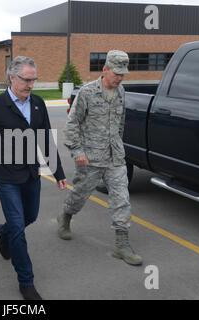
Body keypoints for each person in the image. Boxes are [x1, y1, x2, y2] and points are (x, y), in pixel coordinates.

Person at [0, 56, 67, 300]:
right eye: (26, 80)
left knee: (30, 216)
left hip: (30, 174)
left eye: (33, 80)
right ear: (12, 78)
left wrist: (58, 172)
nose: (31, 85)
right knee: (19, 227)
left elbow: (46, 140)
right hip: (5, 176)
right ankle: (26, 281)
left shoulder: (37, 103)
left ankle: (3, 231)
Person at [58, 50, 143, 266]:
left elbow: (121, 123)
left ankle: (121, 244)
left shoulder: (121, 92)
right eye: (116, 73)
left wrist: (118, 145)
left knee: (121, 198)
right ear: (104, 69)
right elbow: (72, 124)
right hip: (90, 158)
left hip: (115, 158)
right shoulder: (87, 93)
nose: (120, 78)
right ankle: (66, 216)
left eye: (123, 74)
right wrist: (77, 151)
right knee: (79, 195)